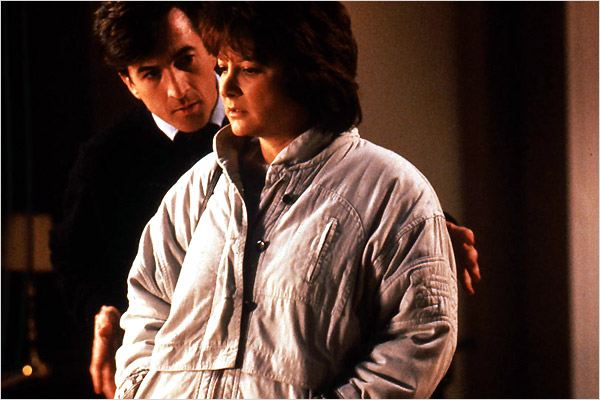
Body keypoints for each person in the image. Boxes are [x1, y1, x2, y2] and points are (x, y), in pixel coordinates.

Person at [114, 3, 459, 398]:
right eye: (222, 67)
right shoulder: (199, 187)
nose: (226, 88)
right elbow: (148, 304)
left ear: (306, 70)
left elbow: (418, 340)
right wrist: (140, 389)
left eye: (249, 69)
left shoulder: (392, 191)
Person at [49, 2, 225, 397]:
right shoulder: (102, 161)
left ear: (211, 47)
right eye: (151, 73)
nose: (178, 90)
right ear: (129, 83)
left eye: (185, 60)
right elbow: (74, 262)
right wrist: (103, 313)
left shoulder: (269, 126)